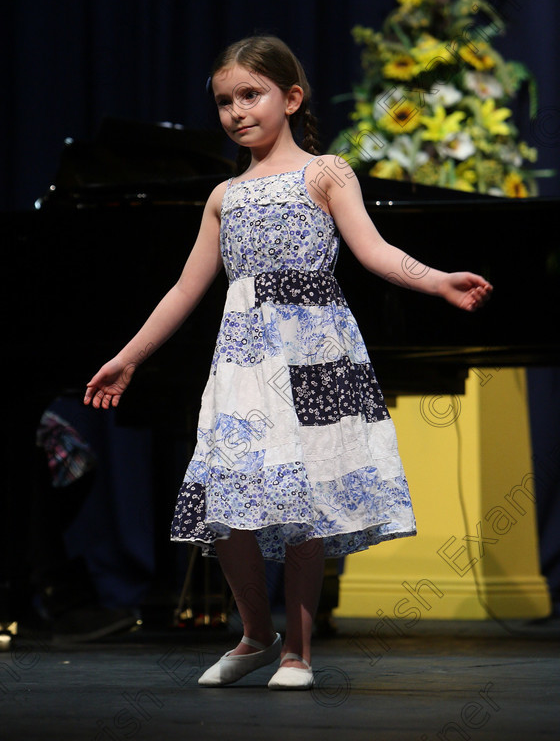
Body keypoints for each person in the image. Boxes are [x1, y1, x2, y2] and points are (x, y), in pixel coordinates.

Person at [84, 35, 492, 690]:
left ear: (290, 97)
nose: (237, 111)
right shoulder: (224, 197)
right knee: (234, 493)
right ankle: (254, 633)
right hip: (244, 362)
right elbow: (185, 289)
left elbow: (376, 251)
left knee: (308, 499)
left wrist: (435, 278)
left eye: (252, 95)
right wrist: (127, 358)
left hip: (316, 352)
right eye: (225, 101)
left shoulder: (325, 174)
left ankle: (298, 650)